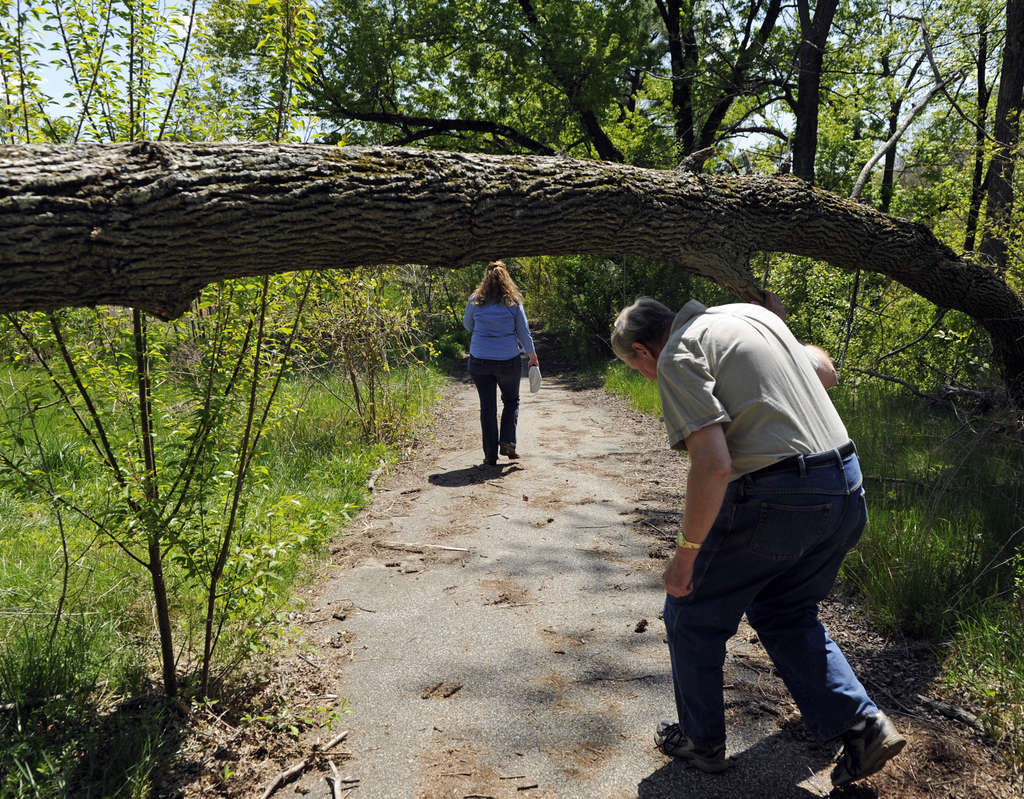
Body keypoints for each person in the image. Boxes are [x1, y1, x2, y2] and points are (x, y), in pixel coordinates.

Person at [610, 296, 905, 788]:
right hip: (847, 486)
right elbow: (825, 371)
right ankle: (863, 725)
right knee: (783, 610)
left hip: (780, 496)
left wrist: (685, 556)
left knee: (690, 613)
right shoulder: (752, 317)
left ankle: (701, 741)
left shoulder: (680, 354)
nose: (647, 377)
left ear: (644, 351)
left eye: (638, 368)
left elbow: (714, 465)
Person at [463, 261, 540, 466]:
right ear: (506, 278)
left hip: (480, 360)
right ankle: (507, 443)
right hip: (508, 360)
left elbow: (468, 325)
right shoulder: (513, 302)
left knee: (487, 407)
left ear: (485, 279)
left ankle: (490, 455)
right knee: (511, 401)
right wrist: (532, 355)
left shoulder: (476, 300)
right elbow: (523, 331)